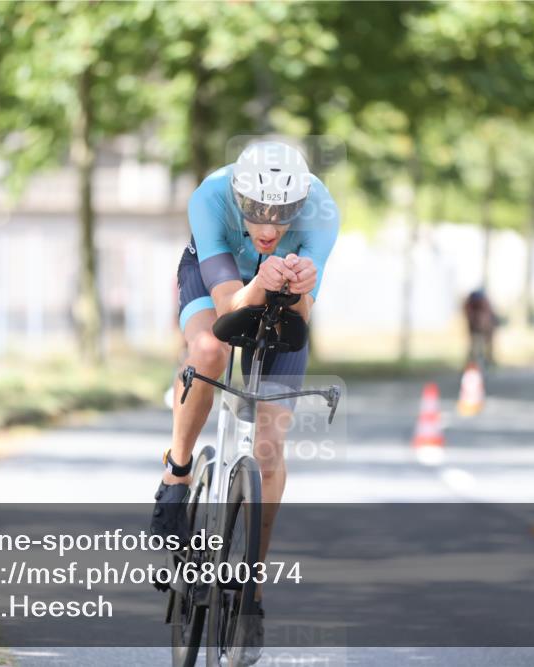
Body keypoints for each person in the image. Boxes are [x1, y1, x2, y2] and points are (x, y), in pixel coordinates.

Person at [151, 140, 339, 662]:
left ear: (302, 202)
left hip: (276, 287)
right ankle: (178, 470)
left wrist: (299, 287)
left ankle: (252, 593)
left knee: (270, 446)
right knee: (210, 349)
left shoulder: (324, 212)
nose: (269, 224)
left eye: (282, 213)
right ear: (238, 196)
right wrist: (260, 278)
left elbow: (300, 319)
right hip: (220, 279)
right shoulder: (210, 196)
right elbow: (229, 305)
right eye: (257, 211)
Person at [463, 288, 498, 366]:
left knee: (488, 341)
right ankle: (471, 359)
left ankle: (489, 359)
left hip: (488, 323)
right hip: (473, 324)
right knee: (474, 342)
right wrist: (474, 323)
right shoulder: (469, 304)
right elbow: (468, 315)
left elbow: (486, 317)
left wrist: (484, 326)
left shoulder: (485, 304)